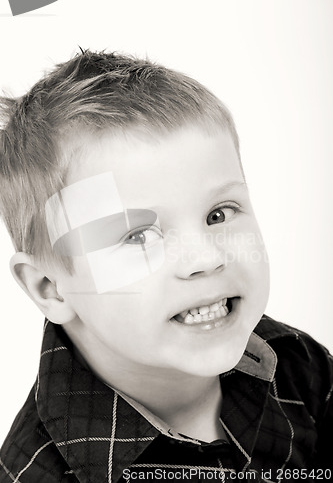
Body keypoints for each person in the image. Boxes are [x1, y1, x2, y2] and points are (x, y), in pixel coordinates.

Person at [0, 50, 331, 483]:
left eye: (218, 214)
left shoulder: (296, 364)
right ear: (51, 287)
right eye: (137, 236)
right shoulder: (39, 473)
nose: (206, 258)